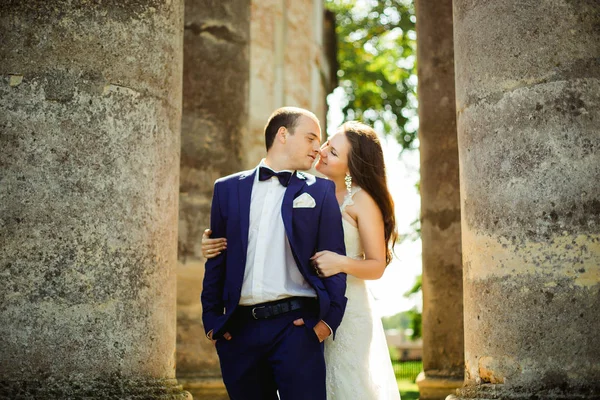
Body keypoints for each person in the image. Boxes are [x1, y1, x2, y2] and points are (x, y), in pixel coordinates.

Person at [203, 121, 401, 399]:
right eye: (324, 144)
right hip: (304, 311)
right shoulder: (304, 188)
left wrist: (341, 263)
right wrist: (214, 242)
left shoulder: (360, 200)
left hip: (346, 311)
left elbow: (377, 265)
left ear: (352, 165)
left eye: (333, 152)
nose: (321, 152)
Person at [201, 106, 347, 400]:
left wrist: (325, 324)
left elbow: (334, 263)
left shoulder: (320, 192)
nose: (317, 148)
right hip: (238, 332)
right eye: (310, 138)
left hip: (296, 329)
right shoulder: (226, 189)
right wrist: (212, 324)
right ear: (283, 134)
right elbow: (217, 259)